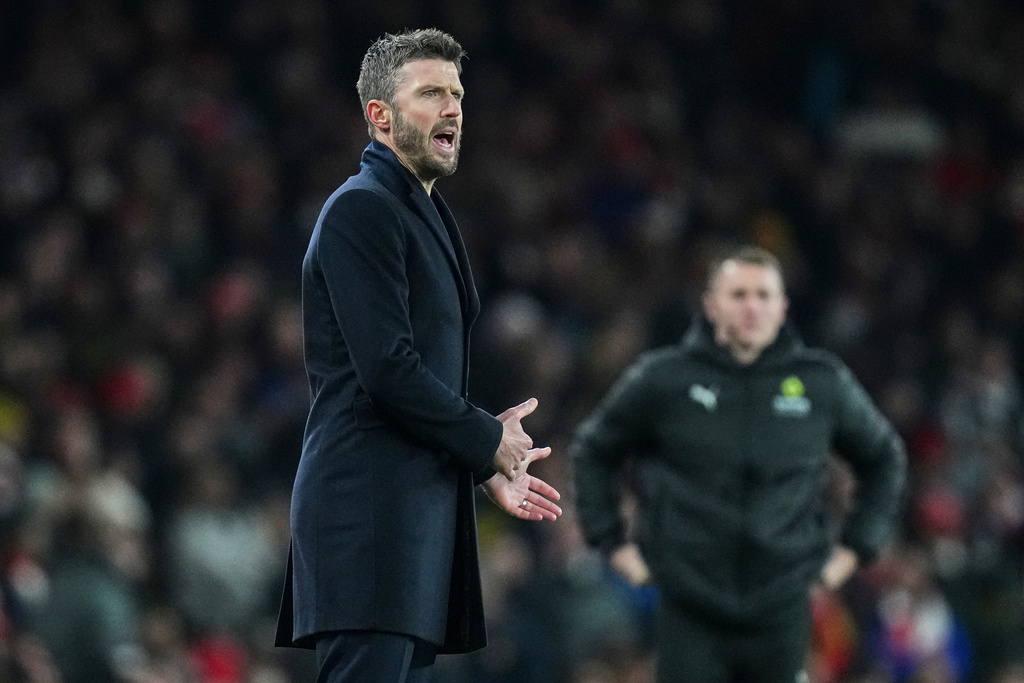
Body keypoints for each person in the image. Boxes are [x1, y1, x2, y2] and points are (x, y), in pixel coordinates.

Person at [275, 29, 562, 683]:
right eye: (431, 93)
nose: (454, 108)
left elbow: (416, 374)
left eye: (457, 94)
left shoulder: (419, 213)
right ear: (380, 115)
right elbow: (387, 371)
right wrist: (484, 438)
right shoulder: (362, 211)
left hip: (409, 526)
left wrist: (479, 458)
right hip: (370, 521)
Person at [571, 246, 906, 683]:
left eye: (764, 295)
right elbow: (595, 448)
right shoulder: (665, 378)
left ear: (783, 307)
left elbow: (883, 457)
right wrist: (611, 543)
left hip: (781, 606)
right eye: (739, 294)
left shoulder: (821, 383)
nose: (752, 306)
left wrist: (854, 550)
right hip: (690, 605)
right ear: (711, 305)